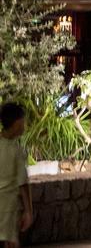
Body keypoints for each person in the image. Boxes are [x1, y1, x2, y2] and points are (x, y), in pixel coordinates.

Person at [0, 103, 32, 248]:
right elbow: (23, 183)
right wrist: (28, 211)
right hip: (9, 207)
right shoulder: (16, 150)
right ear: (17, 123)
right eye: (23, 121)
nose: (25, 125)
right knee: (11, 243)